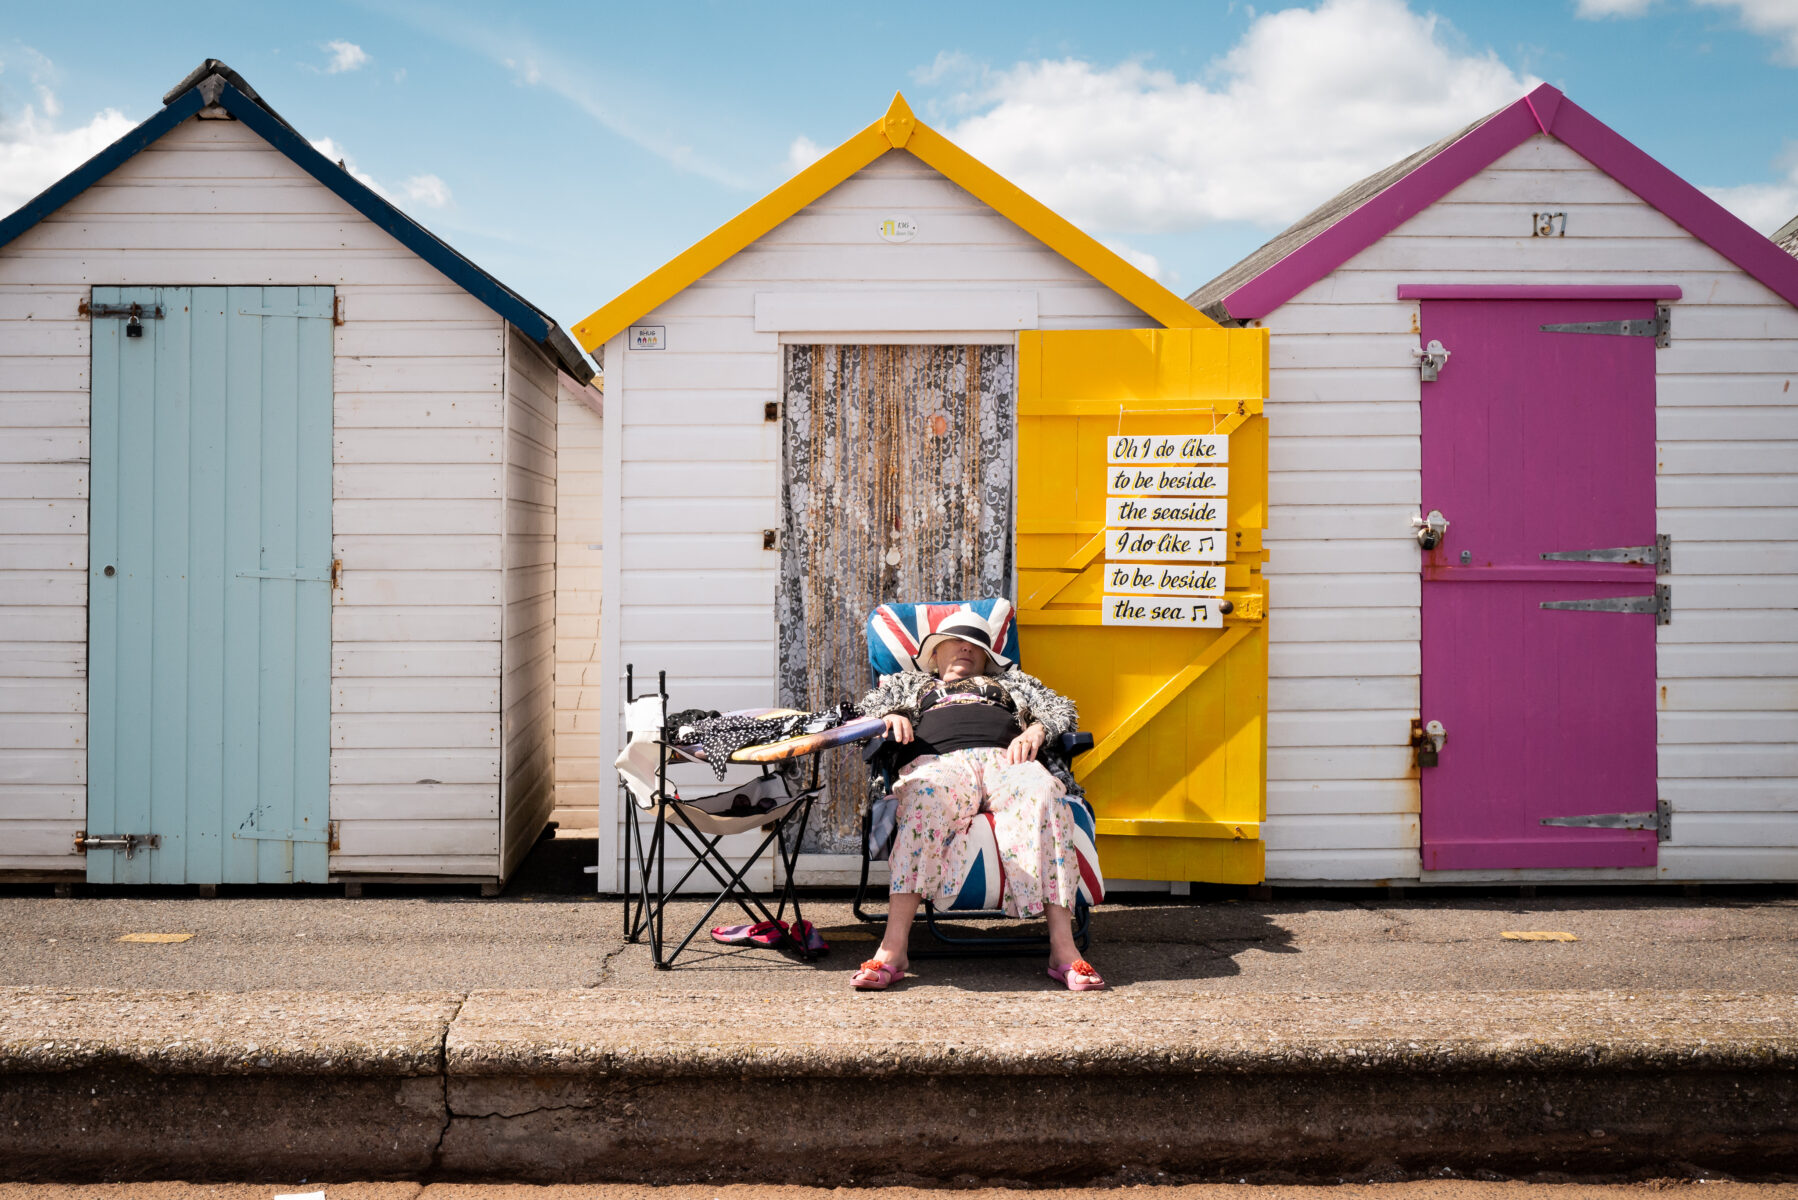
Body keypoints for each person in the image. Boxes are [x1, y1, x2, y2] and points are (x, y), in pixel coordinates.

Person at [851, 610, 1104, 992]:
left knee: (1045, 793)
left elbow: (1062, 710)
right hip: (939, 765)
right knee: (924, 797)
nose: (965, 648)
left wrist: (1037, 728)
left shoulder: (1012, 685)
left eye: (976, 645)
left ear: (987, 658)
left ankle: (1063, 950)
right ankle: (893, 949)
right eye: (954, 641)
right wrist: (886, 717)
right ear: (934, 655)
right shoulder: (909, 685)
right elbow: (862, 715)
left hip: (1010, 761)